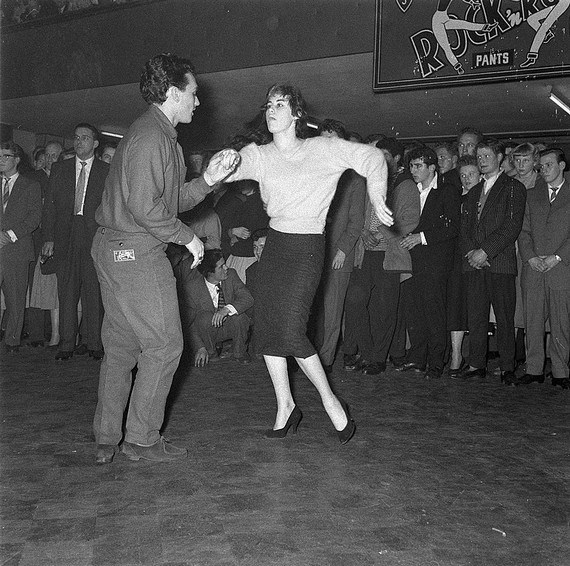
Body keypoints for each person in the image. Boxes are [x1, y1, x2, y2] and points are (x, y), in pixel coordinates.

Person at [90, 53, 239, 465]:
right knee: (167, 344)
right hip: (136, 251)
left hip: (116, 248)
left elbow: (168, 201)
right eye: (193, 93)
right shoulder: (152, 137)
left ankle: (107, 436)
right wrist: (188, 238)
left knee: (121, 346)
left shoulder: (156, 136)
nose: (198, 102)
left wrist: (209, 180)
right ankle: (141, 439)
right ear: (173, 92)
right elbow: (145, 207)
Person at [227, 83, 391, 444]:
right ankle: (285, 406)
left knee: (290, 331)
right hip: (275, 246)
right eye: (268, 104)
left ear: (296, 114)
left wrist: (377, 195)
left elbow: (373, 159)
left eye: (280, 104)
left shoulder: (323, 148)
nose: (272, 109)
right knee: (268, 329)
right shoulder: (262, 154)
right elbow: (226, 170)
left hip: (306, 247)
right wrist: (218, 167)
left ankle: (331, 402)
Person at [460, 139, 526, 385]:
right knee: (476, 316)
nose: (482, 161)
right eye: (479, 157)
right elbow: (464, 228)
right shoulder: (473, 191)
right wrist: (472, 254)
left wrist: (485, 252)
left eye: (487, 156)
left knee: (504, 318)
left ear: (500, 158)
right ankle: (477, 363)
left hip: (500, 263)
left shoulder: (513, 187)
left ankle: (507, 367)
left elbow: (511, 227)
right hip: (474, 264)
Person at [42, 123, 109, 361]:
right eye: (76, 137)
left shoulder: (106, 171)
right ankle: (66, 344)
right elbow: (48, 207)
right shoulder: (60, 169)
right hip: (64, 236)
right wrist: (48, 237)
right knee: (67, 291)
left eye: (85, 137)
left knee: (94, 291)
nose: (79, 141)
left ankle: (94, 343)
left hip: (93, 237)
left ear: (95, 143)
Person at [398, 146, 461, 379]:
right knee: (414, 312)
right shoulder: (410, 191)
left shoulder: (447, 191)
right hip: (410, 260)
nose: (413, 170)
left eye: (418, 166)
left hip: (435, 261)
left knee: (434, 312)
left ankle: (436, 362)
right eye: (411, 166)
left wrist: (421, 237)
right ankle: (417, 358)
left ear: (432, 168)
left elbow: (453, 227)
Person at [517, 148, 570, 388]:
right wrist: (530, 257)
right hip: (534, 269)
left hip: (561, 269)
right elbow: (523, 231)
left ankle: (561, 372)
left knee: (561, 323)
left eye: (549, 165)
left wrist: (557, 257)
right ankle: (534, 369)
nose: (543, 170)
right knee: (533, 322)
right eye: (541, 166)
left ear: (562, 166)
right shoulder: (530, 195)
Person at [179, 249, 253, 367]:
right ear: (210, 273)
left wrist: (226, 310)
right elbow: (189, 323)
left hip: (230, 325)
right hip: (208, 331)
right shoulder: (192, 288)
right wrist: (200, 347)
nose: (226, 268)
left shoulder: (231, 275)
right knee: (203, 317)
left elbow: (248, 298)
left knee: (240, 317)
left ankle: (239, 353)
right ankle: (211, 352)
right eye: (221, 266)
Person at [0, 142, 41, 353]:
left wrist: (9, 236)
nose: (1, 160)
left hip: (16, 250)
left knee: (15, 298)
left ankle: (12, 340)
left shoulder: (30, 185)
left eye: (6, 156)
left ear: (17, 160)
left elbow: (34, 218)